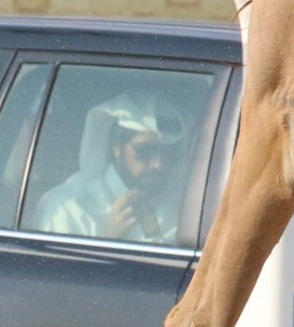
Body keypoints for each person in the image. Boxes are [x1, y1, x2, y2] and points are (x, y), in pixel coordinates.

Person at [31, 96, 186, 244]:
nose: (159, 164)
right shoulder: (68, 206)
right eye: (145, 151)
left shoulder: (185, 207)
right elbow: (58, 271)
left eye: (170, 152)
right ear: (116, 147)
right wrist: (108, 237)